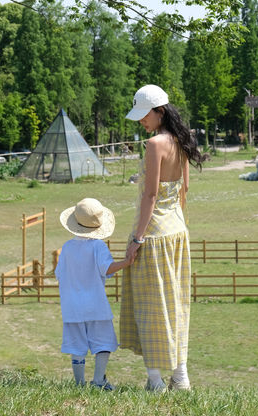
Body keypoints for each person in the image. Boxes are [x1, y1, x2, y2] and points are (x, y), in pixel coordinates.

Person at [120, 83, 206, 392]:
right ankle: (180, 376)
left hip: (154, 234)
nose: (142, 121)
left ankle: (155, 381)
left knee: (151, 305)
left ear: (160, 112)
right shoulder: (182, 142)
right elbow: (183, 190)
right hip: (177, 232)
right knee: (176, 302)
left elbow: (151, 195)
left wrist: (137, 239)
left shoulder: (155, 144)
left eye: (145, 115)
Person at [55, 196, 133, 390]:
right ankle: (98, 381)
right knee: (103, 342)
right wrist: (126, 262)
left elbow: (59, 274)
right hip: (95, 305)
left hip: (72, 307)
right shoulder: (98, 246)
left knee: (77, 346)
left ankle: (79, 384)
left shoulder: (67, 247)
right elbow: (106, 268)